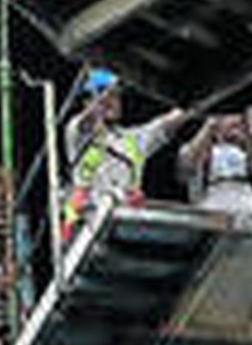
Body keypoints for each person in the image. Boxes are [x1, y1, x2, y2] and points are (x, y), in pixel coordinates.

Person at [59, 68, 187, 242]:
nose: (113, 101)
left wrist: (200, 101)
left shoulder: (131, 139)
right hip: (89, 223)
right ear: (86, 101)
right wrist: (116, 80)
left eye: (116, 97)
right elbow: (88, 120)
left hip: (127, 221)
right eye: (107, 95)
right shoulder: (77, 133)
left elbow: (166, 124)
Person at [177, 107, 252, 220]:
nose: (236, 121)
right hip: (209, 215)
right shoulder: (199, 148)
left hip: (248, 216)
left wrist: (250, 125)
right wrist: (210, 125)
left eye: (240, 118)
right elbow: (187, 166)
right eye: (229, 116)